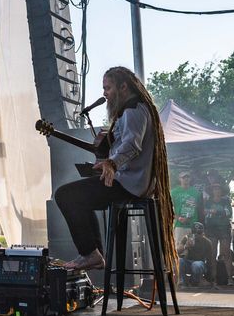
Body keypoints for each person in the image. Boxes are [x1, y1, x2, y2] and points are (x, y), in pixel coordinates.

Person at [52, 67, 177, 279]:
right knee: (79, 198)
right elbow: (126, 144)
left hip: (128, 185)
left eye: (108, 88)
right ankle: (93, 254)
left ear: (123, 87)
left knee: (65, 195)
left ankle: (90, 254)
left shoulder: (133, 110)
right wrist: (106, 150)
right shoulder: (134, 110)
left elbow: (132, 146)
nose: (105, 93)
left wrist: (111, 162)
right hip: (130, 183)